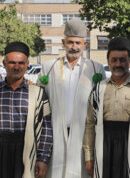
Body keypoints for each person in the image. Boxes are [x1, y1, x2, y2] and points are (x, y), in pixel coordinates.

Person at [40, 19, 105, 177]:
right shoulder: (49, 68)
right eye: (70, 42)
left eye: (78, 43)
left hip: (84, 135)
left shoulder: (96, 68)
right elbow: (41, 101)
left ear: (85, 45)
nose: (74, 47)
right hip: (55, 133)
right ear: (63, 42)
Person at [83, 37, 130, 178]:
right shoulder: (99, 88)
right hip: (103, 147)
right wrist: (89, 156)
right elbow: (90, 124)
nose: (118, 64)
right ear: (108, 62)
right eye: (114, 60)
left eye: (122, 60)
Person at [0, 42, 52, 178]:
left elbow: (46, 129)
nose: (17, 67)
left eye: (21, 63)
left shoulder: (38, 93)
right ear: (4, 63)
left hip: (26, 149)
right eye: (12, 62)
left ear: (27, 64)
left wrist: (43, 159)